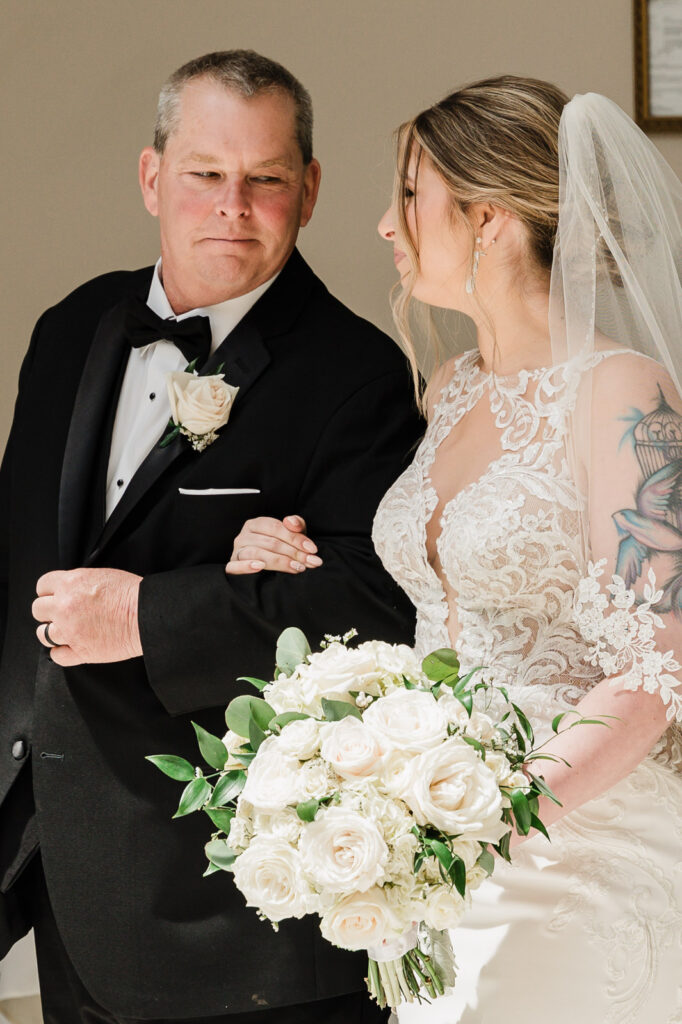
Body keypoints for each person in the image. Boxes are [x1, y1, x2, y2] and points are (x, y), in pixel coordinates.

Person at [232, 77, 682, 1021]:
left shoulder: (623, 394)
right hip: (439, 862)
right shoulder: (451, 389)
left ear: (487, 218)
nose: (386, 225)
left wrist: (489, 817)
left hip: (574, 848)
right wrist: (287, 551)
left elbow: (656, 672)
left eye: (408, 195)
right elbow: (440, 596)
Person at [0, 49, 423, 1023]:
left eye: (265, 179)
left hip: (233, 911)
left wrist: (149, 612)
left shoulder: (355, 373)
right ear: (153, 176)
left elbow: (377, 607)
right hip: (55, 863)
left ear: (308, 191)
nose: (233, 204)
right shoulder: (71, 327)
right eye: (205, 174)